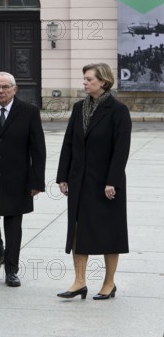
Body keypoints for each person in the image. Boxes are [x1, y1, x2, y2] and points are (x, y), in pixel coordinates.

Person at [56, 63, 132, 300]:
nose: (85, 83)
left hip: (106, 183)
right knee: (77, 231)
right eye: (84, 79)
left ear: (103, 82)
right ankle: (79, 281)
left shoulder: (118, 110)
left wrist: (112, 181)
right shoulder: (79, 108)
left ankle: (109, 283)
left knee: (110, 233)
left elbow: (121, 150)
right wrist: (63, 176)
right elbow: (68, 143)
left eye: (89, 79)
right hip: (79, 181)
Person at [0, 71, 46, 288]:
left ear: (14, 89)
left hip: (18, 179)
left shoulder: (29, 112)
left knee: (14, 225)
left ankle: (12, 269)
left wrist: (36, 181)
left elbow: (38, 149)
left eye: (5, 87)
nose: (1, 91)